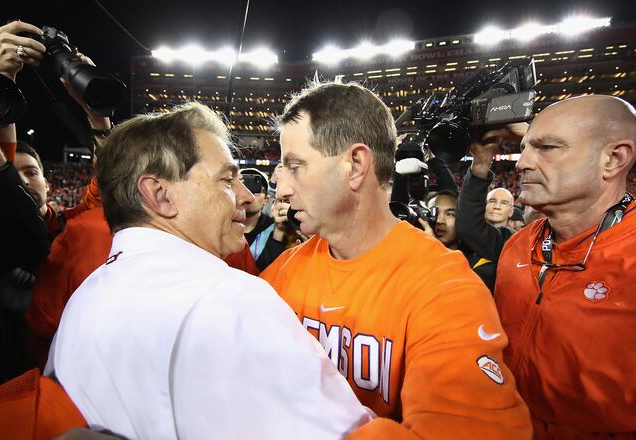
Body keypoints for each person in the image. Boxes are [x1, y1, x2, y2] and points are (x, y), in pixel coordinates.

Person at [46, 102, 372, 439]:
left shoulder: (83, 298)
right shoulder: (229, 298)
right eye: (227, 180)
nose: (246, 197)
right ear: (160, 195)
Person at [261, 81, 531, 438]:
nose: (281, 189)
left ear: (355, 165)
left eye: (295, 166)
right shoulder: (279, 275)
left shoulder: (444, 288)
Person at [495, 95, 636, 438]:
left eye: (548, 148)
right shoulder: (517, 245)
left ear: (613, 159)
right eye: (525, 148)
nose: (522, 163)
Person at [456, 126, 525, 292]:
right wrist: (480, 164)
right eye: (492, 200)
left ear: (512, 211)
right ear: (484, 204)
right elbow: (469, 225)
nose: (496, 206)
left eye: (504, 203)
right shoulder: (460, 241)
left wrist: (531, 135)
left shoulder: (515, 240)